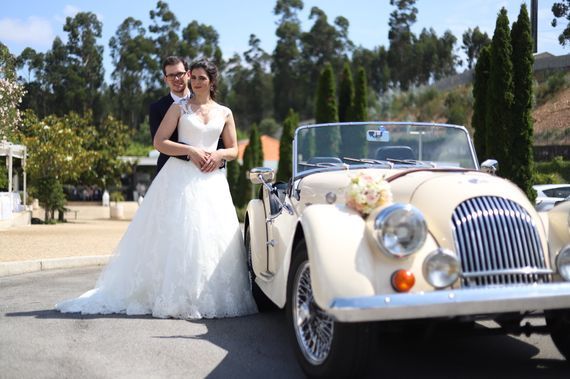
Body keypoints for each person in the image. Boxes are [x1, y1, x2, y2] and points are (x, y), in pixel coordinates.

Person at [55, 59, 257, 319]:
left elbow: (234, 149)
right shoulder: (178, 108)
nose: (194, 82)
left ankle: (206, 296)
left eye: (200, 78)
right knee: (178, 235)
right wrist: (190, 150)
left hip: (211, 181)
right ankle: (172, 295)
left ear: (212, 81)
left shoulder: (225, 112)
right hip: (179, 178)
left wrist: (219, 156)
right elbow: (160, 142)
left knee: (209, 237)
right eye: (192, 77)